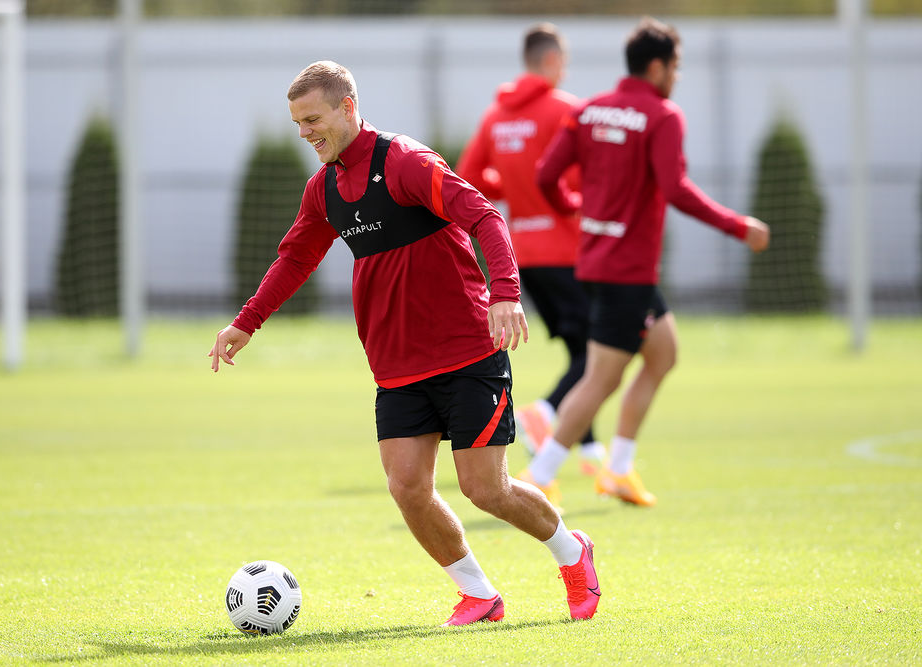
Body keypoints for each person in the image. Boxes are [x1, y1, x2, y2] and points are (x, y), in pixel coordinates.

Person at [209, 61, 600, 625]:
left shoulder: (406, 163)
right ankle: (479, 595)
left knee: (485, 489)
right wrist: (246, 322)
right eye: (297, 123)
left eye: (312, 119)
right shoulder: (324, 188)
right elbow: (295, 258)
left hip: (467, 352)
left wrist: (506, 294)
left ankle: (572, 551)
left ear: (347, 107)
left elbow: (485, 217)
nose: (305, 133)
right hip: (395, 366)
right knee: (407, 488)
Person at [526, 17, 770, 507]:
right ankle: (539, 475)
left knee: (663, 353)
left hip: (598, 261)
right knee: (601, 378)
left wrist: (574, 208)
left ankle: (617, 469)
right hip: (627, 272)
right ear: (657, 67)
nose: (677, 76)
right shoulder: (662, 115)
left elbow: (546, 175)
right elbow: (676, 189)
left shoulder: (589, 110)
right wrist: (738, 226)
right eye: (675, 67)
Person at [456, 23, 605, 506]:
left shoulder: (496, 115)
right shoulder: (566, 110)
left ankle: (591, 449)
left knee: (582, 349)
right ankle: (547, 411)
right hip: (568, 249)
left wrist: (512, 189)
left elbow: (469, 176)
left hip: (522, 253)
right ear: (552, 62)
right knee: (602, 355)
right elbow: (590, 175)